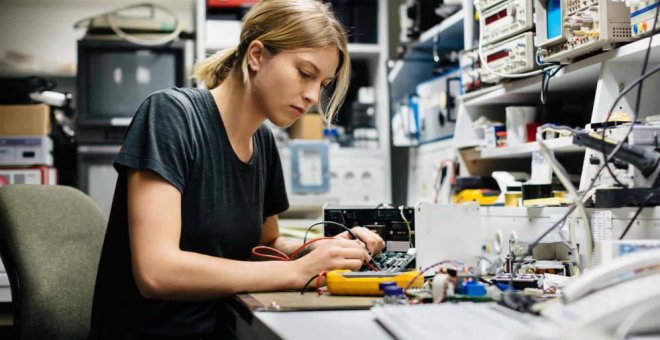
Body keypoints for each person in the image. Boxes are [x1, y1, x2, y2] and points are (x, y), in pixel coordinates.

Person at [89, 0, 386, 339]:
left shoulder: (262, 142)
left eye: (323, 83)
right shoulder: (170, 116)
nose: (312, 96)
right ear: (257, 55)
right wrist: (298, 272)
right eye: (305, 74)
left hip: (226, 327)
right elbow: (158, 272)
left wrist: (320, 249)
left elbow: (265, 243)